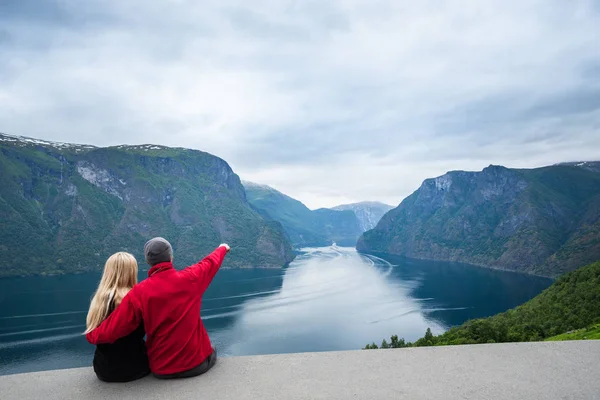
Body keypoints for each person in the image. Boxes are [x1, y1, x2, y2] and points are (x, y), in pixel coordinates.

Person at [86, 238, 230, 379]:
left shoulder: (139, 292)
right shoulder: (191, 278)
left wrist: (92, 335)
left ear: (149, 262)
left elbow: (114, 328)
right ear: (171, 258)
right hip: (196, 365)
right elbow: (210, 262)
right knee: (212, 348)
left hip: (161, 369)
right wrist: (222, 248)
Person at [85, 252, 150, 382]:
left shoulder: (98, 300)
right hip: (136, 367)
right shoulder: (135, 300)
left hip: (103, 369)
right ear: (131, 272)